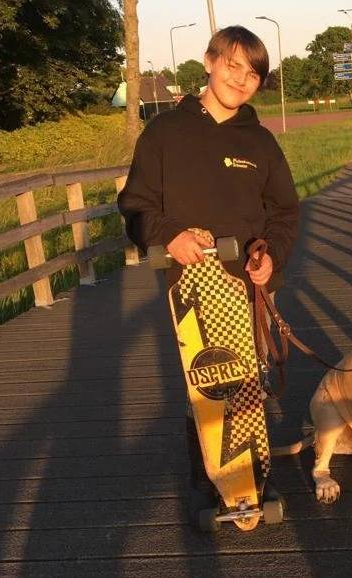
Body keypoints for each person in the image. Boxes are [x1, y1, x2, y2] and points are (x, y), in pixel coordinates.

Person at [118, 25, 300, 525]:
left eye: (253, 74)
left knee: (249, 382)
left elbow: (285, 212)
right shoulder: (164, 134)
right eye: (233, 66)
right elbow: (135, 204)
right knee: (205, 385)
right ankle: (208, 481)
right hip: (191, 286)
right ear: (210, 62)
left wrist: (271, 257)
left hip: (248, 286)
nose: (241, 80)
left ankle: (254, 477)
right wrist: (167, 234)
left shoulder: (260, 142)